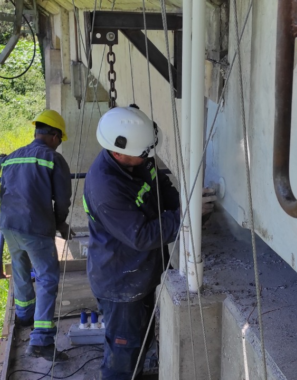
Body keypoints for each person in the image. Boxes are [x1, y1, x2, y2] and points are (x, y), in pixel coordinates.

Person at [83, 106, 181, 379]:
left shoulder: (137, 155)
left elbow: (159, 185)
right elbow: (142, 236)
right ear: (118, 152)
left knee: (142, 336)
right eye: (143, 155)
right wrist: (184, 218)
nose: (149, 157)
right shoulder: (106, 188)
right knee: (122, 358)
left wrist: (182, 204)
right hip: (121, 283)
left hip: (140, 273)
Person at [0, 109, 72, 361]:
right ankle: (41, 340)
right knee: (47, 278)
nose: (59, 144)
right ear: (53, 135)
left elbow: (4, 193)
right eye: (60, 139)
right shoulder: (53, 159)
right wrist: (61, 223)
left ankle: (24, 315)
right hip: (35, 228)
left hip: (9, 225)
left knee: (20, 270)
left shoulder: (11, 158)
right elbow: (62, 198)